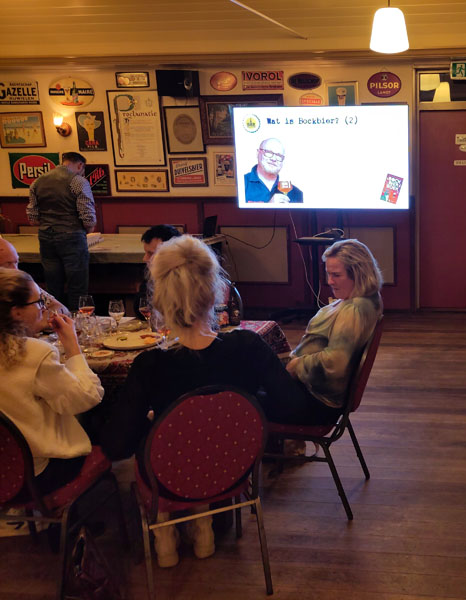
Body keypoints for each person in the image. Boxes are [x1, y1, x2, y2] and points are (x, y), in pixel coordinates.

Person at [99, 236, 380, 565]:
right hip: (232, 469)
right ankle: (204, 521)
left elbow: (116, 446)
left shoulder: (149, 365)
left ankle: (166, 531)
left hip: (169, 474)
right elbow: (290, 406)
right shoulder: (248, 346)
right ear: (215, 292)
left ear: (159, 298)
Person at [0, 268, 103, 496]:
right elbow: (87, 397)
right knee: (97, 420)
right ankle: (76, 523)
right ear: (16, 312)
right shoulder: (33, 353)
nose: (44, 308)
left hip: (4, 473)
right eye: (38, 302)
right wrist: (72, 345)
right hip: (33, 477)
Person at [26, 151, 96, 311]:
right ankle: (77, 325)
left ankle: (54, 323)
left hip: (46, 236)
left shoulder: (38, 181)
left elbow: (33, 218)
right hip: (72, 236)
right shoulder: (78, 181)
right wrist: (88, 229)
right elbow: (88, 218)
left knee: (53, 286)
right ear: (80, 165)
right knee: (77, 286)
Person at [0, 238, 68, 323]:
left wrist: (40, 322)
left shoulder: (23, 284)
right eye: (8, 264)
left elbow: (61, 308)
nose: (16, 270)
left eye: (16, 262)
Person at [243, 138, 303, 203]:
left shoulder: (296, 193)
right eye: (268, 152)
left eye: (279, 155)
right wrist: (269, 205)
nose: (274, 159)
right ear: (258, 153)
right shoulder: (242, 183)